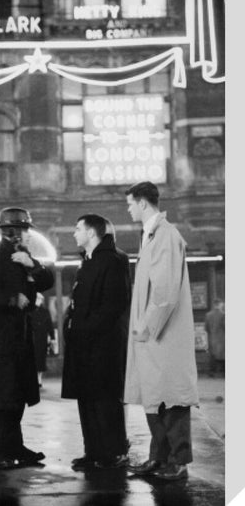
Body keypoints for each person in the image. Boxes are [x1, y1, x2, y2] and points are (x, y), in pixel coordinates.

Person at [0, 206, 54, 471]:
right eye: (26, 230)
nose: (29, 235)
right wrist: (11, 299)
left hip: (16, 340)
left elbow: (46, 281)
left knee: (15, 398)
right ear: (14, 233)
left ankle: (15, 448)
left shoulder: (23, 257)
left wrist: (33, 265)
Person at [124, 181, 199, 481]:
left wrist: (146, 327)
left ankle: (177, 461)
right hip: (153, 338)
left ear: (143, 203)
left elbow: (165, 292)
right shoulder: (152, 235)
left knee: (172, 398)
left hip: (162, 336)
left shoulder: (165, 235)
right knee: (156, 397)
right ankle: (159, 457)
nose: (128, 209)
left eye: (130, 203)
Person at [61, 214, 131, 470]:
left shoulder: (114, 260)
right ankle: (93, 452)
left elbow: (114, 305)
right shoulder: (88, 261)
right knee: (87, 398)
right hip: (83, 343)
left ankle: (113, 452)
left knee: (105, 400)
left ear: (92, 233)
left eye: (78, 228)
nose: (74, 233)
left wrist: (84, 329)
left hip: (103, 345)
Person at [30, 293, 54, 388]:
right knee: (34, 359)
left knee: (41, 360)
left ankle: (39, 378)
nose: (39, 301)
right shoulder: (30, 311)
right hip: (33, 339)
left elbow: (49, 325)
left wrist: (52, 337)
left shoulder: (44, 311)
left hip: (42, 339)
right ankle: (35, 378)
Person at [205, 298, 225, 377]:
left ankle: (211, 372)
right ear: (220, 304)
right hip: (222, 338)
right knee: (223, 354)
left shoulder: (208, 315)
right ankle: (223, 372)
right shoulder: (223, 315)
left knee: (212, 355)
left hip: (212, 338)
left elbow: (206, 328)